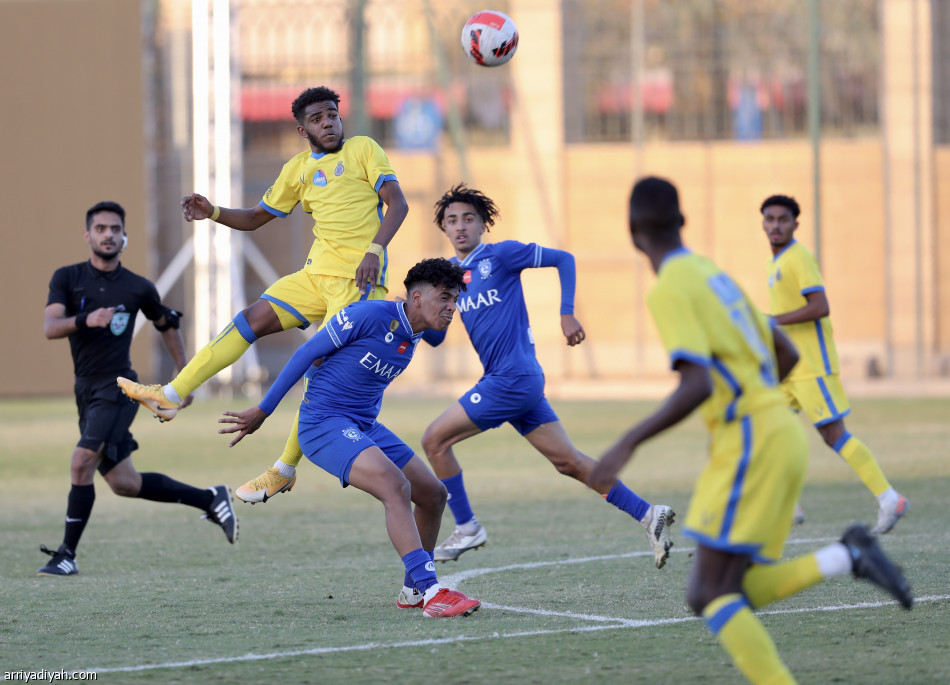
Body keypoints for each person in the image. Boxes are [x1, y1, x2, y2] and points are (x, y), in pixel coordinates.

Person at [589, 177, 912, 684]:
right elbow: (786, 352)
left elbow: (696, 383)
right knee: (726, 590)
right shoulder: (712, 273)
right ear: (682, 222)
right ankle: (846, 555)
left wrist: (626, 444)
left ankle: (844, 559)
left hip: (751, 444)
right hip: (777, 434)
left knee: (709, 594)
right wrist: (757, 406)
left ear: (633, 232)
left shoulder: (670, 287)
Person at [116, 86, 409, 504]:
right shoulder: (298, 170)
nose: (327, 123)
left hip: (360, 284)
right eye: (317, 119)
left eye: (332, 115)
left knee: (320, 370)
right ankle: (171, 395)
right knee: (249, 319)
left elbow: (397, 205)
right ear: (301, 128)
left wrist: (374, 251)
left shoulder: (363, 148)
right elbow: (256, 217)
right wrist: (212, 211)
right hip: (314, 276)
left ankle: (283, 469)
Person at [420, 184, 674, 567]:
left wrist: (566, 311)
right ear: (443, 228)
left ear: (483, 224)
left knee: (434, 441)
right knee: (568, 462)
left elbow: (564, 258)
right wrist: (415, 315)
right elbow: (437, 339)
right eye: (451, 220)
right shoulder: (452, 278)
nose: (460, 227)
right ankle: (648, 513)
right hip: (518, 382)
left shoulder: (500, 255)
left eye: (468, 219)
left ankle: (468, 526)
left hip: (511, 378)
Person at [218, 258, 480, 618]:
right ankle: (431, 590)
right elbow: (306, 353)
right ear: (416, 298)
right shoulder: (367, 315)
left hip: (363, 424)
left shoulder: (422, 328)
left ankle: (412, 590)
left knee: (433, 494)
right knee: (394, 486)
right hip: (323, 424)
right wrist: (263, 410)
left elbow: (437, 318)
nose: (452, 307)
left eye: (456, 300)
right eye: (445, 297)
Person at [39, 201, 237, 577]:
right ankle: (210, 499)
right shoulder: (66, 278)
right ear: (88, 235)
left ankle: (67, 555)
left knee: (81, 462)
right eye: (101, 229)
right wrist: (87, 319)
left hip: (120, 389)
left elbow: (166, 323)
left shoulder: (137, 288)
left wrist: (184, 379)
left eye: (115, 229)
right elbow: (50, 327)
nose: (108, 235)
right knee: (124, 483)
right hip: (86, 389)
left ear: (124, 236)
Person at [760, 194, 908, 533]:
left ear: (796, 223)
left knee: (832, 434)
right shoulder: (775, 262)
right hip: (790, 368)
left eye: (783, 219)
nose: (775, 225)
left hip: (813, 366)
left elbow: (820, 306)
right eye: (770, 219)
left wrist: (774, 321)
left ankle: (889, 498)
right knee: (767, 426)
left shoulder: (799, 258)